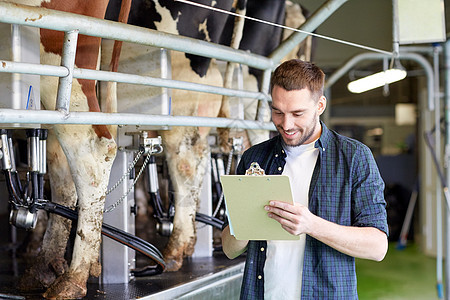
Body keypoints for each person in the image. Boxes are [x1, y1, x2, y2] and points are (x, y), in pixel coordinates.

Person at [221, 59, 388, 299]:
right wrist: (247, 223)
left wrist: (311, 225)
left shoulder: (354, 158)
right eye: (278, 111)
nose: (286, 124)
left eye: (297, 113)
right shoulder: (255, 158)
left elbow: (377, 246)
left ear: (320, 105)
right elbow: (229, 249)